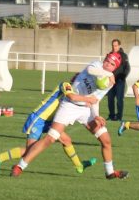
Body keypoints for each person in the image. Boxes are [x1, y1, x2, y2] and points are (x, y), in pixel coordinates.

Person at [10, 52, 129, 180]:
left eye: (112, 64)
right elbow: (91, 70)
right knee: (50, 138)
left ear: (115, 67)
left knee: (106, 140)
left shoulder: (109, 83)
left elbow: (95, 100)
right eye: (107, 60)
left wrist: (96, 116)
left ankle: (109, 172)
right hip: (69, 105)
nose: (107, 64)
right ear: (104, 59)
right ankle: (20, 166)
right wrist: (108, 74)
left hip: (86, 109)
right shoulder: (97, 65)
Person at [0, 80, 96, 175]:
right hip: (39, 119)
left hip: (49, 121)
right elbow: (71, 97)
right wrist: (88, 99)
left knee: (66, 140)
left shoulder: (76, 94)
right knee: (29, 152)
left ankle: (79, 166)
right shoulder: (66, 85)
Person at [106, 38, 130, 121]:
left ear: (119, 46)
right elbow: (105, 66)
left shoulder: (123, 55)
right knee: (110, 99)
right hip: (110, 81)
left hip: (119, 81)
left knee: (119, 99)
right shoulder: (109, 55)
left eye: (115, 46)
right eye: (113, 46)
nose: (114, 47)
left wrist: (123, 77)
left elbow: (127, 68)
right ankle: (111, 115)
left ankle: (119, 116)